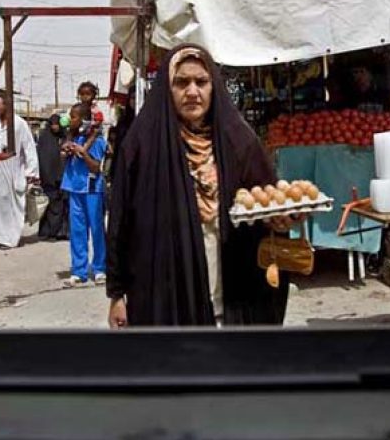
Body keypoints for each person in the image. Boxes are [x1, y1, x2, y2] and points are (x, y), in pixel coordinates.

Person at [106, 44, 297, 328]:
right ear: (166, 88)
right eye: (181, 83)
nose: (192, 92)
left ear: (214, 87)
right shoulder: (141, 145)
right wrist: (117, 294)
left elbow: (268, 202)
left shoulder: (240, 143)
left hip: (233, 291)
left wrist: (283, 219)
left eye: (201, 82)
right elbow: (121, 223)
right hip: (166, 296)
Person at [0, 94, 39, 249]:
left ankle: (9, 238)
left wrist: (31, 172)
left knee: (8, 204)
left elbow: (29, 147)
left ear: (7, 106)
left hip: (12, 169)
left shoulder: (19, 124)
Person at [61, 104, 108, 286]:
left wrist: (83, 154)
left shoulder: (97, 141)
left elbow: (96, 167)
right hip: (75, 189)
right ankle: (79, 270)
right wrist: (67, 151)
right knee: (77, 231)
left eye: (73, 117)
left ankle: (99, 268)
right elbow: (63, 159)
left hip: (92, 190)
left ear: (83, 120)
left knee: (96, 229)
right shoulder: (74, 138)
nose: (70, 120)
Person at [35, 113, 69, 241]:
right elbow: (43, 158)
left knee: (63, 204)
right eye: (53, 124)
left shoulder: (64, 136)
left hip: (63, 177)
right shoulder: (45, 137)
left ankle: (61, 232)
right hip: (48, 177)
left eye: (57, 124)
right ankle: (49, 231)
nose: (55, 127)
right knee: (51, 204)